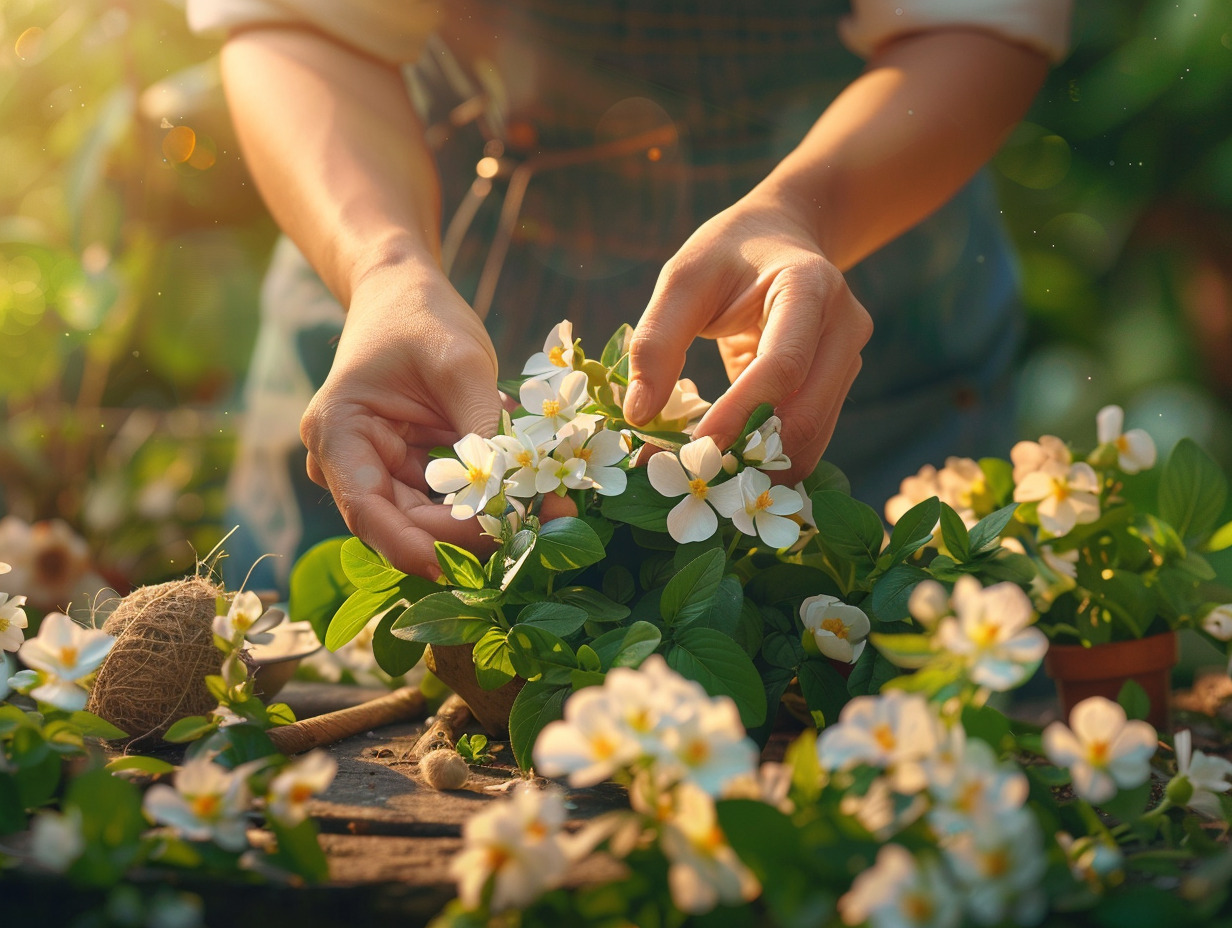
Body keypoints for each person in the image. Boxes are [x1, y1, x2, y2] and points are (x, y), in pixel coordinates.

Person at [187, 0, 1070, 589]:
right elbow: (300, 22)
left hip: (835, 273)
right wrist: (381, 268)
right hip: (402, 259)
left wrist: (810, 211)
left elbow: (978, 21)